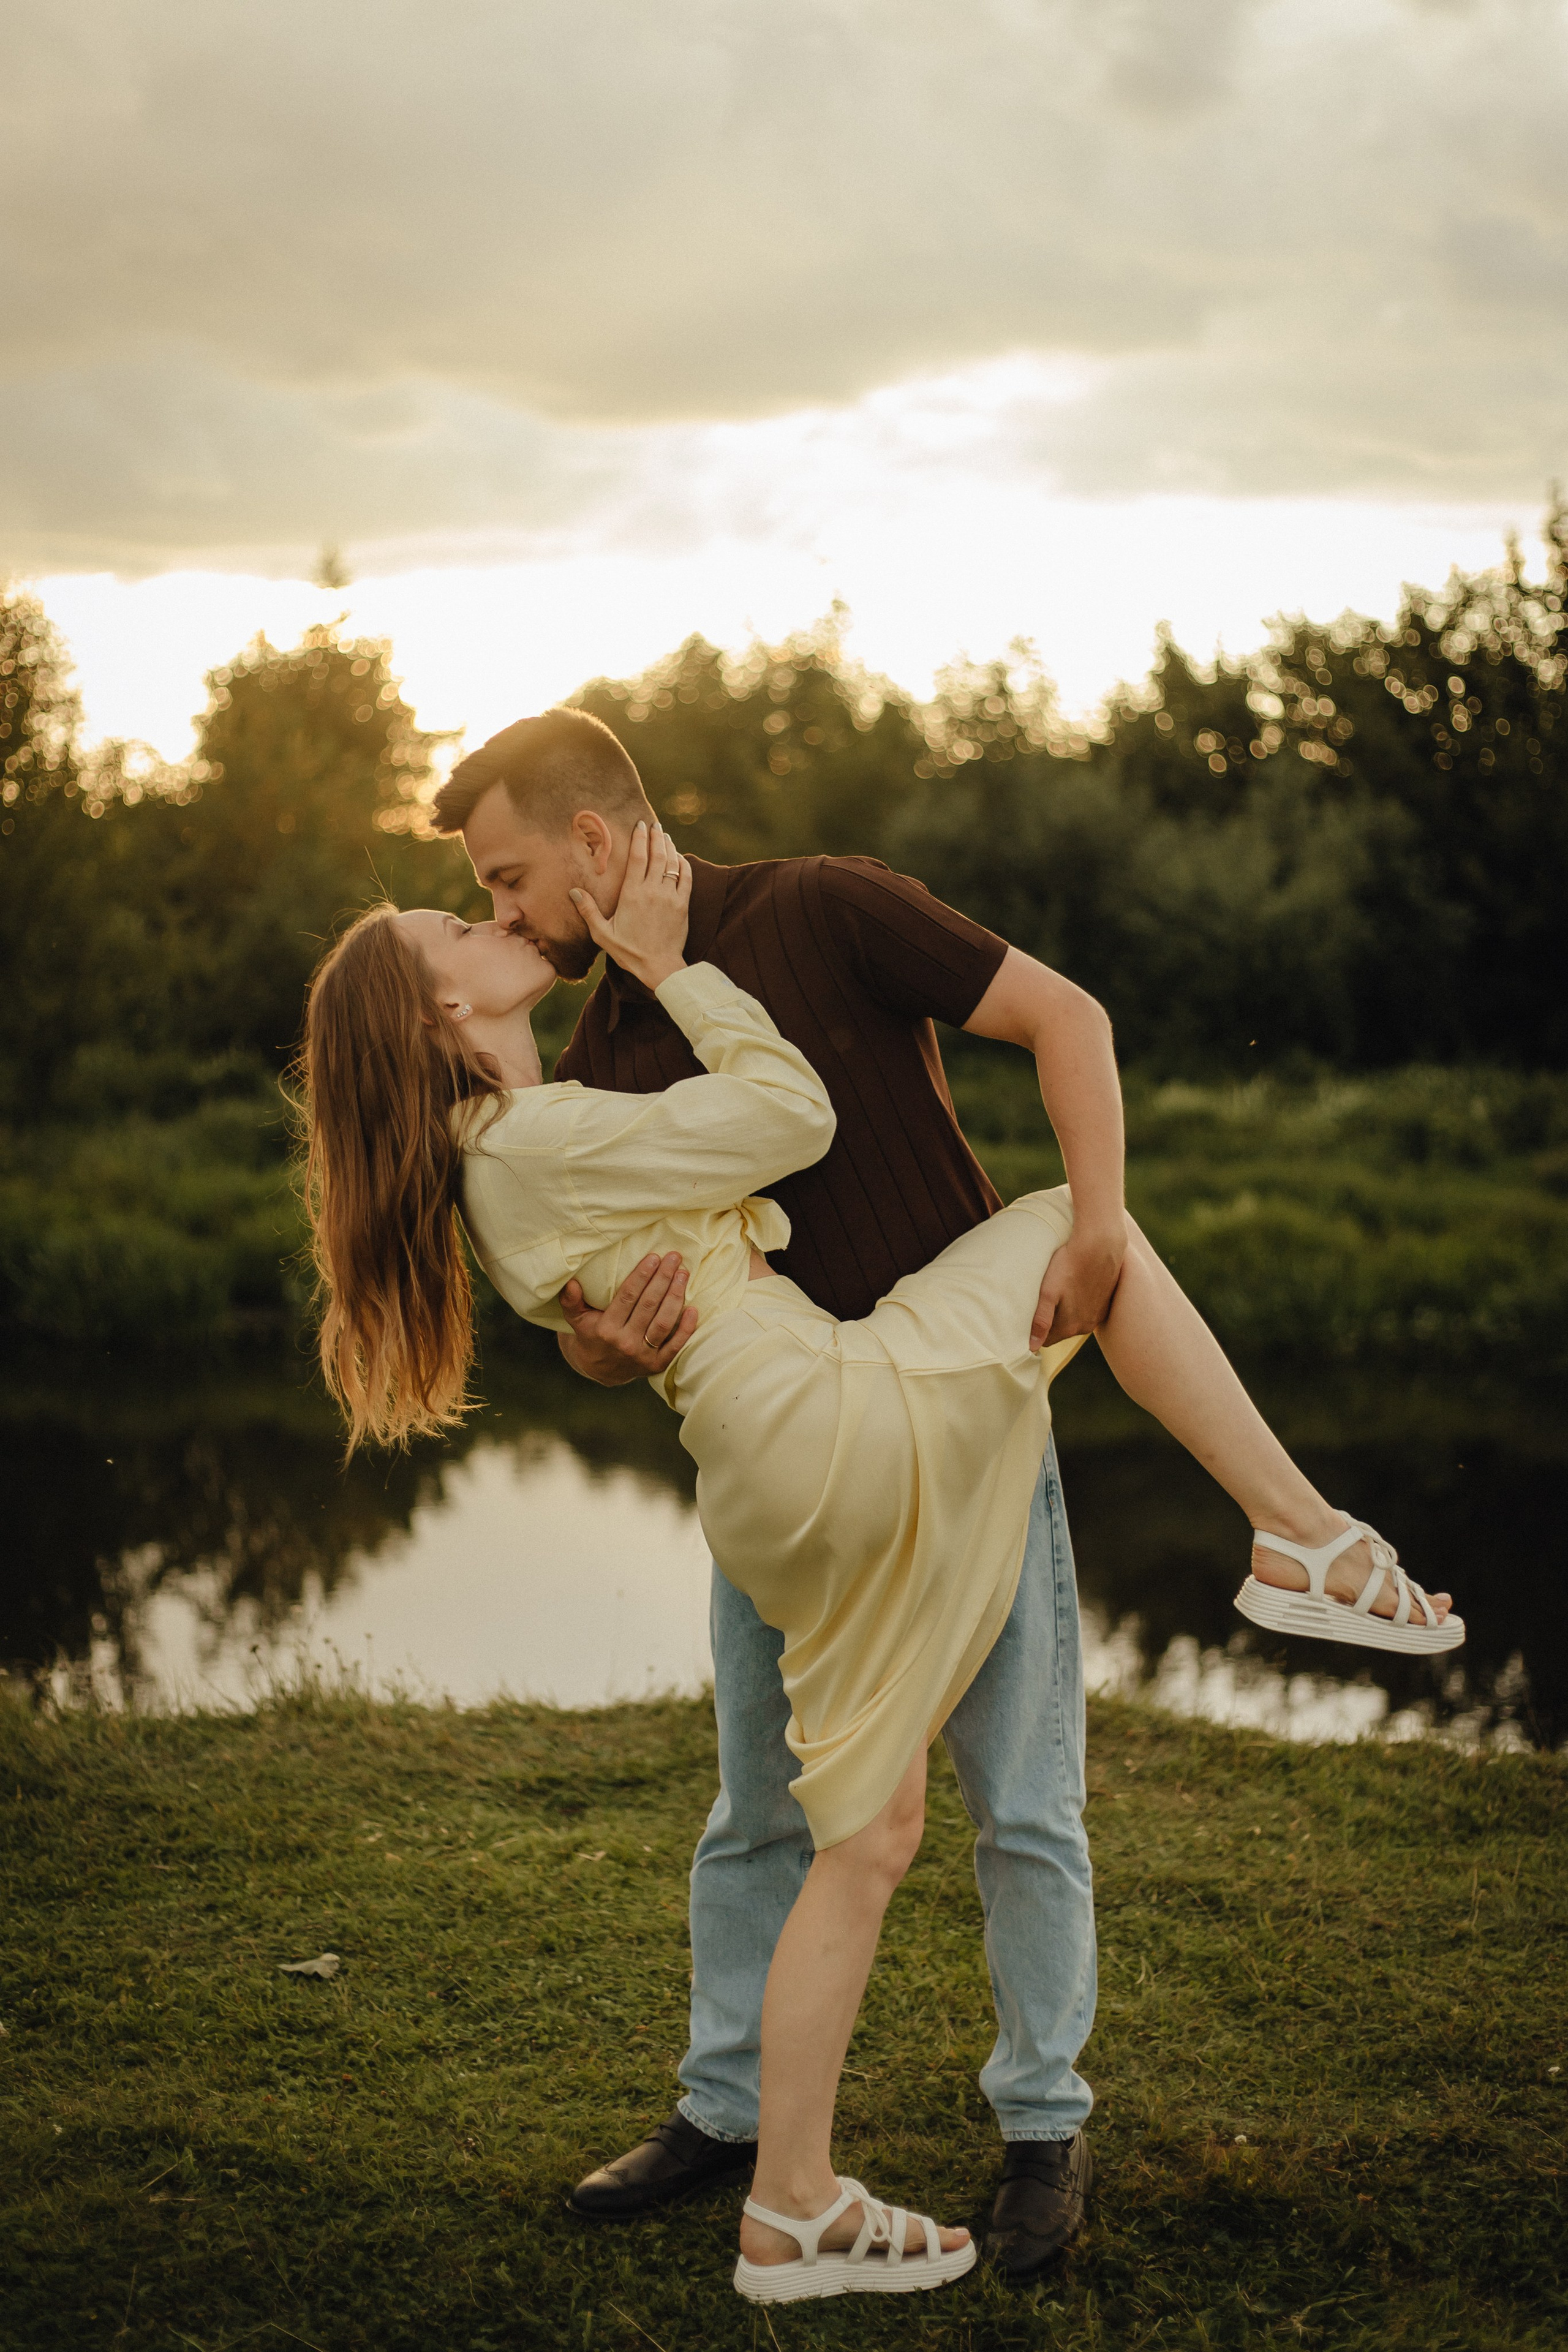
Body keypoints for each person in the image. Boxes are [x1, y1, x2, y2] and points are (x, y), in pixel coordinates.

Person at [298, 764, 1458, 2306]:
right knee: (771, 1815)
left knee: (930, 1824)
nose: (497, 913)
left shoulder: (820, 905)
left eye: (499, 881)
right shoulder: (590, 1057)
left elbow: (1063, 1017)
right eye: (469, 914)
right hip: (847, 1421)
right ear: (443, 1014)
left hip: (865, 1429)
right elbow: (745, 1157)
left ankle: (892, 2172)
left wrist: (1089, 1226)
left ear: (590, 838)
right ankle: (1300, 1538)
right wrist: (603, 1338)